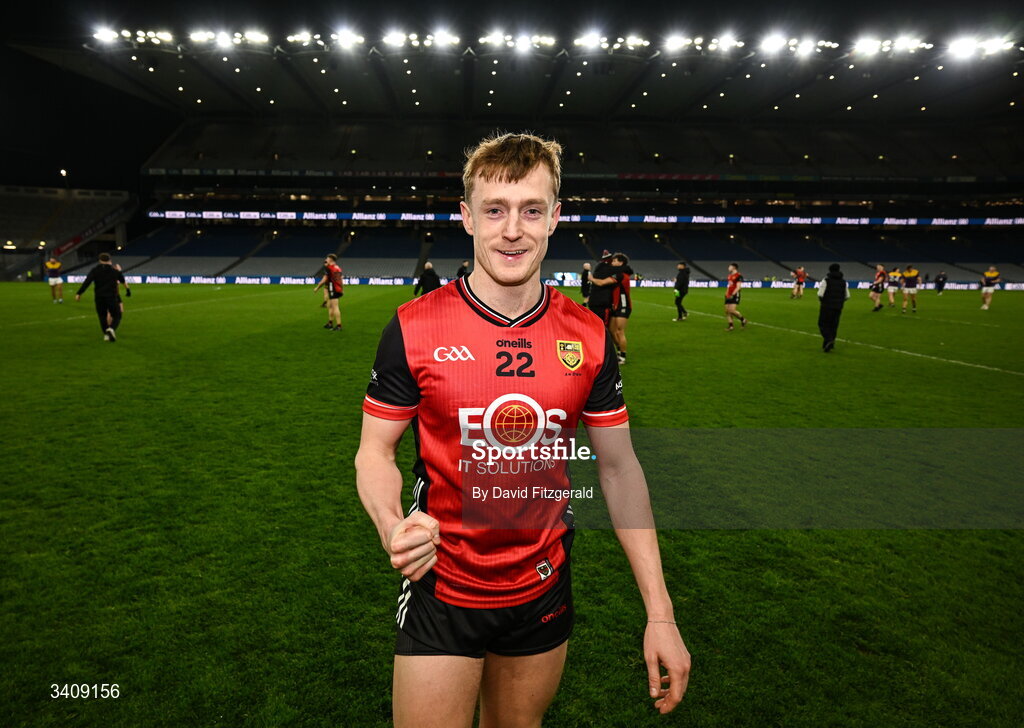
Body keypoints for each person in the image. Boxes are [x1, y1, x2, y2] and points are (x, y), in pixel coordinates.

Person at [355, 132, 690, 728]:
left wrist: (659, 612)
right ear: (467, 218)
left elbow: (619, 469)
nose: (513, 229)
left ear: (555, 218)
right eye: (496, 210)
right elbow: (373, 453)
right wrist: (391, 525)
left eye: (531, 210)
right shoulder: (413, 325)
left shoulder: (587, 335)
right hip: (442, 584)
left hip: (541, 585)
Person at [75, 252, 129, 342]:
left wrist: (79, 293)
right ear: (110, 260)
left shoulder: (95, 270)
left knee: (102, 316)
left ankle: (106, 335)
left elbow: (87, 282)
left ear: (100, 260)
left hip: (99, 297)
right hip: (111, 297)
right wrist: (127, 289)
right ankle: (111, 329)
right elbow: (122, 280)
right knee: (117, 315)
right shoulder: (114, 271)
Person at [591, 253, 632, 364]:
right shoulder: (618, 273)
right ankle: (619, 351)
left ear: (621, 263)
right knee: (611, 331)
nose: (612, 263)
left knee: (620, 331)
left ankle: (623, 356)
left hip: (623, 306)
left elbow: (601, 283)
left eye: (614, 261)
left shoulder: (621, 275)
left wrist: (590, 277)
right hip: (615, 306)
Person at [817, 263, 850, 352]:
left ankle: (828, 339)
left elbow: (820, 294)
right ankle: (829, 344)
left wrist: (823, 301)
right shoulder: (843, 282)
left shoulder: (826, 280)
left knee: (822, 324)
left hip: (826, 306)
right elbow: (847, 296)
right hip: (838, 307)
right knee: (833, 325)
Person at [586, 251, 616, 327]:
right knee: (603, 326)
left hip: (593, 302)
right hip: (603, 303)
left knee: (594, 324)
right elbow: (602, 283)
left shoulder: (598, 268)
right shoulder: (611, 269)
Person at [314, 253, 344, 330]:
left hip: (333, 288)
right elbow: (341, 278)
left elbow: (324, 279)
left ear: (330, 259)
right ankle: (330, 323)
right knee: (330, 306)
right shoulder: (338, 267)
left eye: (327, 259)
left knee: (335, 307)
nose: (326, 260)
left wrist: (317, 287)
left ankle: (339, 325)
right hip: (337, 288)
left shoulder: (330, 268)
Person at [723, 263, 748, 331]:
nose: (728, 268)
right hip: (728, 294)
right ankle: (731, 326)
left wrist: (733, 294)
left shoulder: (738, 276)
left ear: (734, 267)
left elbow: (738, 287)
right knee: (727, 311)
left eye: (729, 267)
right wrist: (727, 292)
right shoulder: (729, 276)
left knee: (732, 310)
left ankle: (743, 320)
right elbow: (729, 285)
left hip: (735, 294)